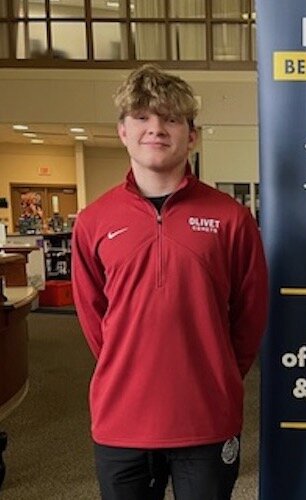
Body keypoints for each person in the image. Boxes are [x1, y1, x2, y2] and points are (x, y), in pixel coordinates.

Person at [72, 64, 268, 500]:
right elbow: (93, 318)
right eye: (142, 117)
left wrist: (215, 373)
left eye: (171, 118)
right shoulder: (93, 221)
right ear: (122, 131)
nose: (155, 128)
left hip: (206, 417)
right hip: (121, 420)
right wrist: (130, 365)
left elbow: (250, 317)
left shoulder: (230, 219)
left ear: (192, 135)